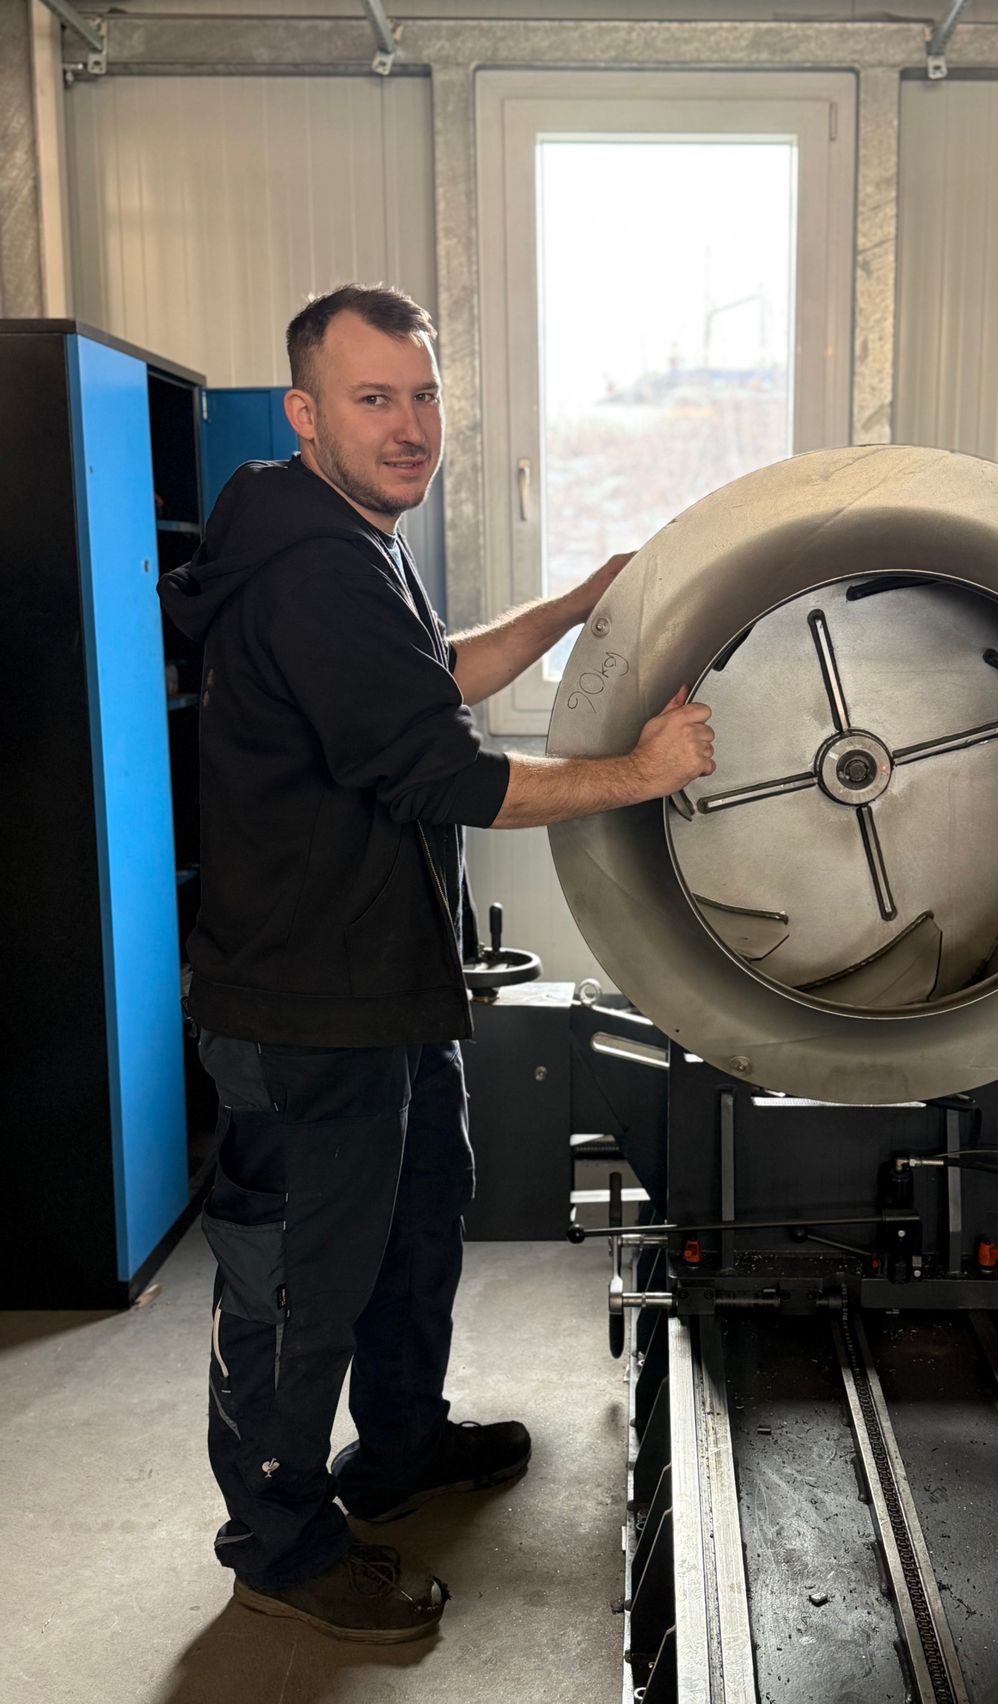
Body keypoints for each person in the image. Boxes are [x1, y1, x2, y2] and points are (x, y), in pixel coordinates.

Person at [158, 283, 715, 1644]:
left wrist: (575, 604)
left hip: (385, 985)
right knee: (300, 1282)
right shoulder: (312, 571)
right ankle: (278, 1539)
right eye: (373, 399)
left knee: (411, 1231)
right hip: (305, 1007)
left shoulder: (356, 542)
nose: (409, 426)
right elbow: (443, 774)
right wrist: (641, 773)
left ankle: (398, 1443)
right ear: (305, 414)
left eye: (423, 396)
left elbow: (432, 677)